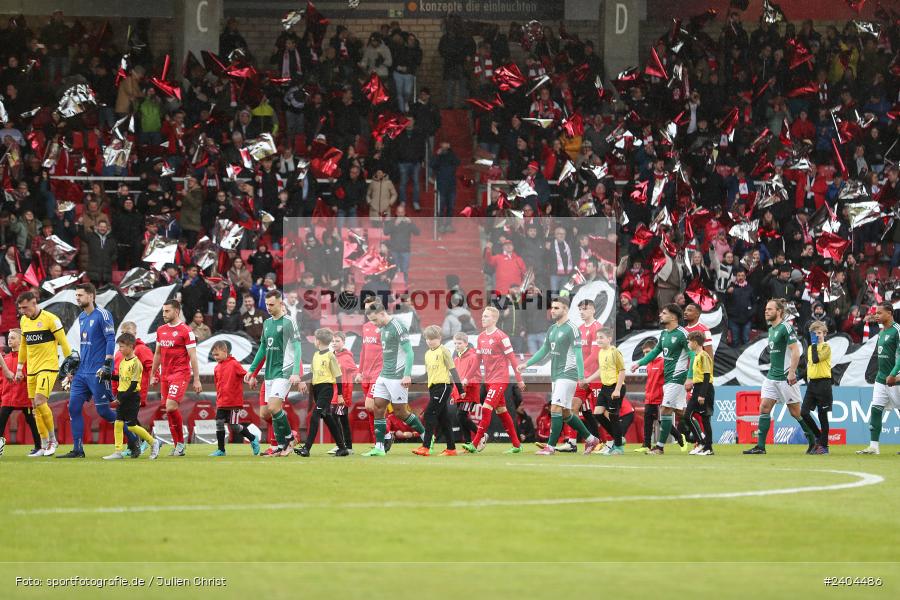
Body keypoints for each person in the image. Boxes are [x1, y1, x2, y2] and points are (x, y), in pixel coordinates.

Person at [60, 283, 139, 459]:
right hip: (82, 372)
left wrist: (107, 363)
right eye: (76, 295)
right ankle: (78, 449)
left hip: (98, 371)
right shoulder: (81, 317)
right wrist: (75, 368)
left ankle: (134, 439)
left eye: (80, 295)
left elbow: (110, 339)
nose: (77, 298)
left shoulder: (103, 315)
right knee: (73, 407)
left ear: (91, 296)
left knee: (104, 412)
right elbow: (85, 344)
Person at [519, 297, 601, 456]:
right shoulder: (552, 329)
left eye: (557, 308)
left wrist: (581, 376)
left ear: (565, 309)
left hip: (568, 374)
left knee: (555, 408)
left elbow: (578, 354)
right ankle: (591, 439)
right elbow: (544, 351)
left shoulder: (572, 329)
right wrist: (527, 364)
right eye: (552, 307)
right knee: (565, 412)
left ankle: (550, 447)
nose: (553, 310)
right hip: (556, 374)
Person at [743, 299, 818, 455]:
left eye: (770, 309)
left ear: (779, 312)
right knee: (764, 407)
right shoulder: (772, 329)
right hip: (771, 377)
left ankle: (814, 441)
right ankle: (760, 446)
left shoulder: (785, 327)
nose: (766, 311)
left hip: (785, 377)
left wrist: (791, 372)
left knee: (796, 412)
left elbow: (796, 351)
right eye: (766, 309)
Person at [15, 291, 79, 457]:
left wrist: (69, 367)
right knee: (35, 408)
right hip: (31, 370)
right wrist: (19, 368)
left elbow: (64, 342)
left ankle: (53, 440)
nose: (22, 311)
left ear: (34, 303)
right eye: (20, 308)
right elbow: (23, 345)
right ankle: (43, 445)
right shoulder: (24, 320)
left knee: (40, 401)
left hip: (48, 367)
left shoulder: (51, 319)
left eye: (25, 307)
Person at [244, 291, 305, 457]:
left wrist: (296, 373)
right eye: (267, 304)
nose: (269, 308)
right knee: (266, 412)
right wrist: (252, 370)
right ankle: (281, 444)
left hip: (284, 371)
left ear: (280, 304)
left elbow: (298, 347)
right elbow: (263, 349)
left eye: (272, 304)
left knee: (273, 407)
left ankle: (288, 441)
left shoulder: (289, 322)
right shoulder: (267, 323)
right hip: (269, 373)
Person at [360, 301, 425, 457]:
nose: (374, 324)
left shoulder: (398, 326)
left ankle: (426, 435)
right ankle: (380, 447)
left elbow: (409, 352)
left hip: (397, 376)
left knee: (400, 412)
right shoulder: (382, 328)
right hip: (383, 375)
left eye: (375, 320)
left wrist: (407, 374)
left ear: (382, 313)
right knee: (377, 408)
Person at [460, 306, 524, 454]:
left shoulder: (502, 337)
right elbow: (477, 361)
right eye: (483, 316)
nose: (483, 318)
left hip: (500, 379)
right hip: (488, 380)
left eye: (486, 316)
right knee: (502, 411)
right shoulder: (481, 337)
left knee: (486, 408)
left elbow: (513, 360)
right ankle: (516, 445)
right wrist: (466, 378)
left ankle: (475, 444)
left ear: (494, 319)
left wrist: (519, 379)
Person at [632, 304, 691, 455]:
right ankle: (702, 439)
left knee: (664, 410)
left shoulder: (682, 334)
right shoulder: (664, 334)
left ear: (673, 317)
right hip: (668, 379)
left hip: (677, 377)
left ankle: (659, 447)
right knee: (681, 412)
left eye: (664, 313)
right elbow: (655, 352)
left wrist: (690, 377)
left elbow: (693, 355)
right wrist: (639, 362)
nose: (660, 315)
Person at [149, 299, 203, 458]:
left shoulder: (186, 331)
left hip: (180, 373)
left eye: (167, 311)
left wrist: (197, 379)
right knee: (168, 409)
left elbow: (193, 356)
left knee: (171, 406)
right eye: (163, 311)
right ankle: (178, 445)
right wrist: (153, 374)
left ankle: (180, 443)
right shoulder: (160, 330)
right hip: (165, 375)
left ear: (176, 311)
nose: (163, 314)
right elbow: (157, 353)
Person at [102, 334, 158, 460]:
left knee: (131, 425)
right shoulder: (122, 362)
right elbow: (122, 379)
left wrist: (121, 398)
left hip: (132, 396)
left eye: (122, 346)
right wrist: (108, 376)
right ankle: (117, 452)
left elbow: (133, 385)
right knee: (118, 423)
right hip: (123, 394)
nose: (119, 349)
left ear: (130, 347)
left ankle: (153, 442)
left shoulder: (136, 363)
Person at [296, 328, 349, 457]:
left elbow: (338, 376)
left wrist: (340, 395)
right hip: (317, 389)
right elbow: (313, 373)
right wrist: (300, 379)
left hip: (326, 389)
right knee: (328, 418)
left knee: (315, 416)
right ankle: (342, 448)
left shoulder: (330, 355)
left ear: (318, 341)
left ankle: (307, 448)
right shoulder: (315, 355)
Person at [413, 326, 464, 456]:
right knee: (444, 419)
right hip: (433, 388)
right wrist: (412, 381)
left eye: (433, 338)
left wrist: (460, 389)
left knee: (429, 414)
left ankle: (426, 447)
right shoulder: (427, 354)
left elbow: (453, 370)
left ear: (439, 338)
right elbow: (427, 374)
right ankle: (451, 449)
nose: (430, 341)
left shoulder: (444, 351)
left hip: (443, 387)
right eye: (427, 339)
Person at [857, 302, 900, 455]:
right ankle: (874, 447)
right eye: (876, 313)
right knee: (875, 409)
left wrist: (894, 374)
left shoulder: (897, 331)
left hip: (895, 379)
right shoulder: (881, 333)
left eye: (880, 313)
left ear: (890, 313)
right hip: (881, 379)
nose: (876, 315)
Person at [207, 340, 260, 457]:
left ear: (225, 352)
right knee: (219, 423)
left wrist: (252, 379)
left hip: (234, 402)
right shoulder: (216, 368)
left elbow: (245, 375)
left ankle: (252, 438)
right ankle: (221, 450)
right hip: (221, 402)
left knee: (234, 426)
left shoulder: (234, 364)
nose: (215, 357)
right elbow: (218, 385)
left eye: (217, 354)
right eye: (213, 355)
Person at [584, 327, 626, 455]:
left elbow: (622, 371)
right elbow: (601, 370)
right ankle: (618, 438)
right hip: (605, 387)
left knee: (613, 416)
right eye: (597, 338)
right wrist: (588, 379)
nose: (598, 340)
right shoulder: (601, 352)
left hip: (615, 388)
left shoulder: (615, 352)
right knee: (597, 414)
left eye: (601, 337)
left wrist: (617, 389)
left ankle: (618, 447)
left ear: (609, 338)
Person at [0, 329, 42, 457]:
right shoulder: (5, 359)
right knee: (2, 420)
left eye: (13, 338)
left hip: (24, 395)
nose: (9, 340)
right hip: (8, 396)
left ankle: (38, 446)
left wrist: (23, 377)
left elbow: (32, 376)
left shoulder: (27, 358)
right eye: (9, 337)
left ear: (20, 341)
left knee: (31, 421)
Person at [801, 321, 832, 455]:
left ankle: (823, 446)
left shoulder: (826, 347)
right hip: (812, 384)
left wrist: (813, 344)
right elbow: (810, 366)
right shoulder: (810, 348)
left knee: (822, 416)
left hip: (823, 384)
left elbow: (815, 360)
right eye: (814, 333)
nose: (817, 335)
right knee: (804, 412)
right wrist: (797, 377)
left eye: (819, 333)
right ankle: (819, 437)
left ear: (824, 333)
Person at [685, 331, 715, 456]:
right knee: (687, 416)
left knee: (705, 419)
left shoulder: (704, 356)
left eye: (689, 341)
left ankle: (708, 448)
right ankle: (701, 442)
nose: (688, 344)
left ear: (695, 342)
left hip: (705, 389)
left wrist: (702, 394)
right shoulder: (696, 356)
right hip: (697, 389)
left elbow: (707, 376)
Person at [330, 331, 359, 454]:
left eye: (337, 341)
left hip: (343, 395)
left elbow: (354, 371)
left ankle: (344, 445)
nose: (335, 343)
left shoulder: (347, 357)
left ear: (344, 342)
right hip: (333, 394)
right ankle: (345, 445)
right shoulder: (331, 356)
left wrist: (357, 376)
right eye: (333, 341)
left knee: (338, 419)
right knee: (340, 419)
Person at [114, 322, 153, 409]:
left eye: (128, 333)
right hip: (121, 394)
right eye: (123, 333)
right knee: (124, 420)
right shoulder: (118, 352)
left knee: (124, 419)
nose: (125, 336)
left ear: (135, 334)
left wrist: (154, 378)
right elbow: (116, 373)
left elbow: (152, 368)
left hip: (135, 394)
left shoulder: (142, 349)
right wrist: (114, 392)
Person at [452, 331, 480, 444]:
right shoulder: (455, 359)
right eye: (455, 343)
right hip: (459, 393)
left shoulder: (473, 357)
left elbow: (477, 377)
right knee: (462, 418)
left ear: (466, 343)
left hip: (469, 393)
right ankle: (468, 444)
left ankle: (481, 434)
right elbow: (455, 380)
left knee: (461, 415)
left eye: (459, 343)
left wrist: (466, 384)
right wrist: (454, 394)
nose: (457, 346)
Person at [637, 338, 664, 453]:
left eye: (648, 352)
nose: (646, 355)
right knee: (647, 422)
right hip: (649, 398)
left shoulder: (663, 362)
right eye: (644, 353)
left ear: (655, 351)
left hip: (659, 398)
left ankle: (679, 437)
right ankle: (646, 444)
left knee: (662, 422)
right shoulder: (649, 364)